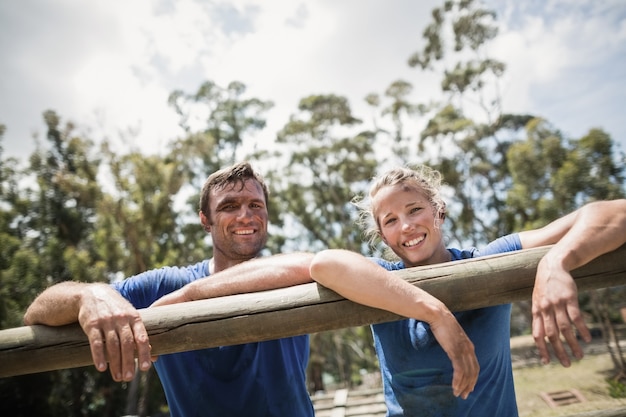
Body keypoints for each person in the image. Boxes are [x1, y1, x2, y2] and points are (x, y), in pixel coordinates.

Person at [22, 161, 479, 416]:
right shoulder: (164, 283)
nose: (246, 215)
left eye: (255, 204)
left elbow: (319, 264)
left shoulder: (294, 270)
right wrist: (90, 295)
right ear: (205, 219)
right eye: (230, 206)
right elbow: (37, 312)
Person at [307, 165, 626, 417]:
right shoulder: (379, 280)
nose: (405, 226)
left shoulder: (486, 261)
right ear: (382, 236)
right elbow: (325, 264)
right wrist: (437, 315)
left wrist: (556, 261)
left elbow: (616, 212)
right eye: (390, 220)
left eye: (415, 209)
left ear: (439, 211)